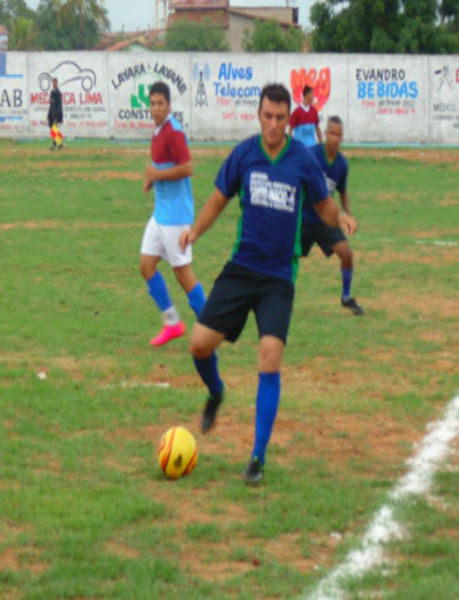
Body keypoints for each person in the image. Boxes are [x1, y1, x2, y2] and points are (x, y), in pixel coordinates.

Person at [180, 84, 356, 484]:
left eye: (280, 118)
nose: (273, 124)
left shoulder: (301, 160)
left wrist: (341, 218)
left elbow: (322, 205)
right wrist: (194, 232)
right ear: (258, 115)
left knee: (269, 358)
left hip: (279, 276)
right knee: (198, 345)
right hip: (241, 268)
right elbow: (217, 200)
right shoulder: (244, 154)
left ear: (288, 120)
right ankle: (216, 390)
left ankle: (257, 459)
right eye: (267, 116)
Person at [141, 81, 206, 346]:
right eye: (152, 103)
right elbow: (162, 165)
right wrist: (152, 181)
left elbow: (187, 167)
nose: (155, 108)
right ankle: (172, 322)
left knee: (183, 275)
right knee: (146, 266)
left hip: (176, 216)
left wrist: (157, 175)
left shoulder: (173, 132)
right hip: (161, 214)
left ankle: (212, 324)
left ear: (168, 105)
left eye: (160, 103)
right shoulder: (158, 131)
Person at [302, 116, 364, 315]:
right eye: (332, 133)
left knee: (346, 254)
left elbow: (342, 192)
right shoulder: (311, 155)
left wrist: (346, 215)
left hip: (327, 221)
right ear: (325, 134)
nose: (335, 138)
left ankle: (346, 298)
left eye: (339, 134)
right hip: (303, 219)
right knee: (284, 257)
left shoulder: (342, 165)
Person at [48, 78, 64, 151]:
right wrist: (49, 114)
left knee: (54, 129)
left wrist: (56, 116)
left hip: (56, 115)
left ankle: (55, 145)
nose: (53, 84)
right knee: (54, 129)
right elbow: (51, 104)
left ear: (56, 83)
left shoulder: (58, 93)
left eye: (55, 83)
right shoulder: (52, 92)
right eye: (53, 83)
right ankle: (60, 144)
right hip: (52, 113)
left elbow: (59, 105)